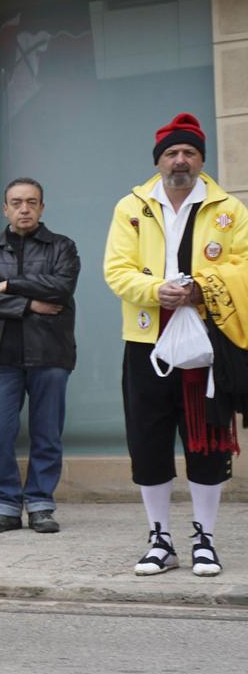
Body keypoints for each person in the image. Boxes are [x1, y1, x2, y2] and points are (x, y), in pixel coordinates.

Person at [103, 112, 248, 577]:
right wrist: (155, 290)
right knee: (148, 438)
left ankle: (204, 537)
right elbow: (116, 269)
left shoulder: (230, 209)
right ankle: (159, 538)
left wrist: (202, 287)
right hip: (147, 340)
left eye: (189, 152)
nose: (180, 160)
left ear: (201, 159)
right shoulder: (131, 207)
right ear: (159, 161)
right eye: (171, 153)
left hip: (209, 341)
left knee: (207, 440)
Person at [0, 180, 79, 535]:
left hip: (50, 353)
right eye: (17, 203)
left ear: (42, 207)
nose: (24, 209)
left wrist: (10, 286)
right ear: (5, 209)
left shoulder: (62, 247)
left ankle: (42, 503)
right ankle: (4, 505)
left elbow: (61, 289)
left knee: (47, 433)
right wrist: (30, 303)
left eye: (32, 202)